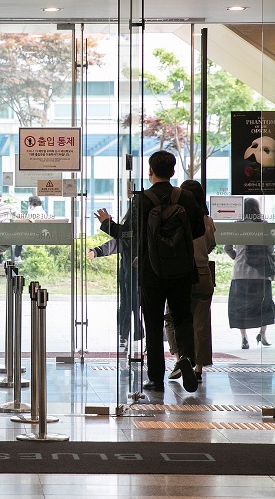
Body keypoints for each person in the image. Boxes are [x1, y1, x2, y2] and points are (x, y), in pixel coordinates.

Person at [96, 150, 205, 393]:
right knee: (183, 319)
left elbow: (128, 235)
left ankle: (156, 378)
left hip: (151, 272)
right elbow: (198, 231)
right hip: (182, 271)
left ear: (150, 171)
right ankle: (186, 358)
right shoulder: (186, 198)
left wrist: (106, 223)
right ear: (174, 172)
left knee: (154, 324)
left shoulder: (142, 200)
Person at [164, 180, 217, 382]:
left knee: (172, 318)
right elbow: (211, 245)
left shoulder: (175, 218)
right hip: (203, 274)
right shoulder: (207, 221)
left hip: (180, 273)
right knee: (201, 323)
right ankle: (198, 368)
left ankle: (179, 360)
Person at [225, 198, 275, 349]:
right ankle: (262, 334)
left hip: (240, 273)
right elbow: (270, 249)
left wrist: (238, 258)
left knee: (241, 307)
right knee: (264, 306)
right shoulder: (264, 225)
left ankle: (244, 338)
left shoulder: (236, 225)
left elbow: (227, 248)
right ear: (256, 209)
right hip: (261, 274)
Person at [89, 208, 141, 352]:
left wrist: (107, 223)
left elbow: (119, 240)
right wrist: (98, 251)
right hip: (134, 273)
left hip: (129, 273)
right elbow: (119, 241)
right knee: (134, 305)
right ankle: (131, 336)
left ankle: (126, 336)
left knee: (127, 304)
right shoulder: (144, 225)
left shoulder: (132, 225)